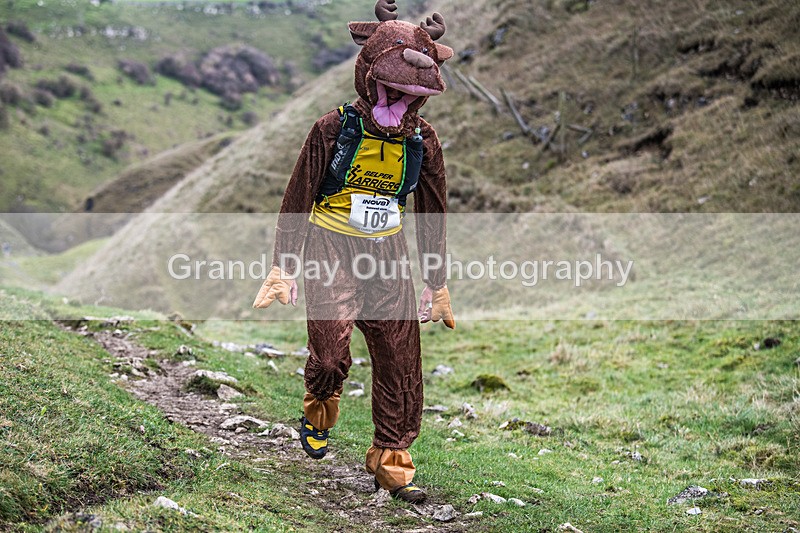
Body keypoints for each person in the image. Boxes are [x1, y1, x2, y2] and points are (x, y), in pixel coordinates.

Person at [253, 0, 455, 504]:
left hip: (387, 256)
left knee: (401, 359)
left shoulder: (423, 142)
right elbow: (297, 196)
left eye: (413, 99)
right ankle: (320, 404)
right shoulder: (332, 128)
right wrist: (284, 265)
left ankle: (391, 459)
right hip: (329, 247)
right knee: (329, 352)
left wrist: (437, 281)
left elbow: (433, 213)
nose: (403, 107)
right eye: (396, 94)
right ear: (369, 74)